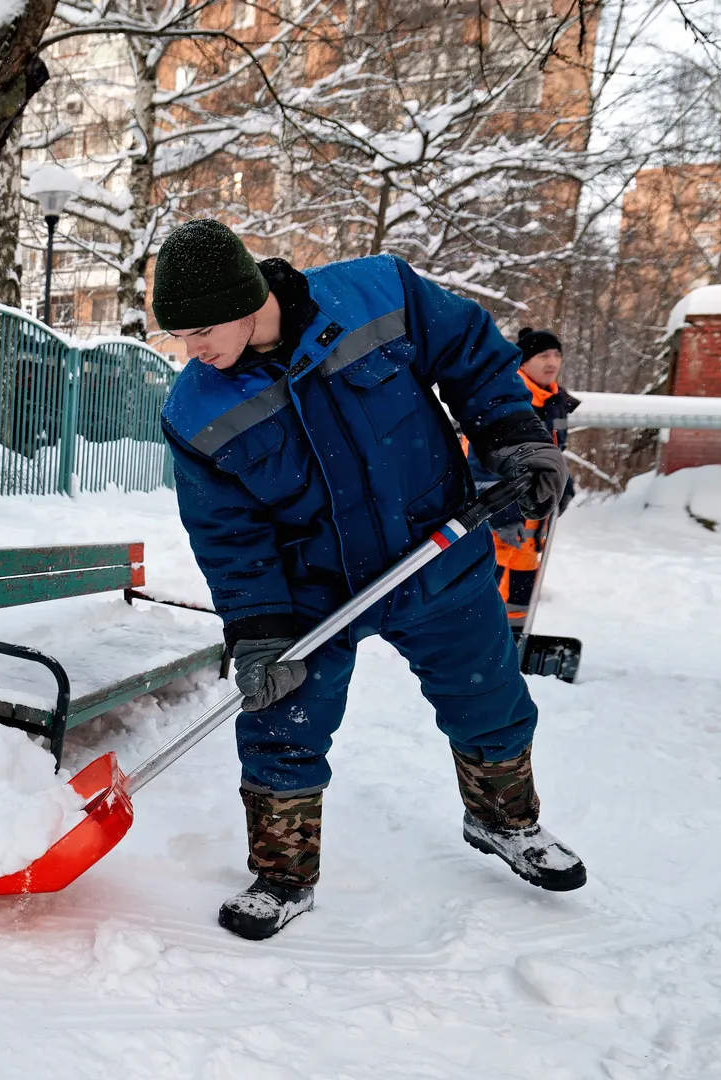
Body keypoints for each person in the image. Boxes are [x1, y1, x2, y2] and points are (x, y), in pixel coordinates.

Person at [151, 219, 585, 942]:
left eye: (198, 330)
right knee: (282, 722)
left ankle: (505, 822)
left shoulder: (377, 293)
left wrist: (513, 435)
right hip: (313, 588)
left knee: (489, 698)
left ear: (246, 297)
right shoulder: (195, 409)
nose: (189, 350)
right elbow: (228, 535)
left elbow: (472, 353)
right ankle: (284, 874)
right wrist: (258, 629)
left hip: (436, 547)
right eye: (179, 336)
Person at [467, 329, 580, 637]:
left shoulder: (554, 403)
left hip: (531, 521)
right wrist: (502, 516)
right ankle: (481, 647)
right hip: (500, 517)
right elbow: (482, 462)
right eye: (543, 355)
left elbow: (554, 454)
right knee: (488, 587)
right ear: (524, 361)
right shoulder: (507, 399)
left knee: (521, 587)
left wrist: (564, 485)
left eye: (557, 355)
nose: (552, 362)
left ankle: (514, 643)